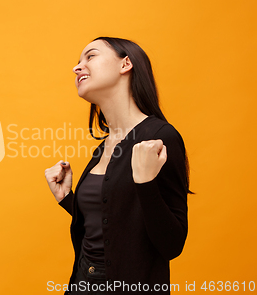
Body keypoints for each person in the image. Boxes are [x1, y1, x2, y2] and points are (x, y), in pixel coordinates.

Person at [44, 37, 191, 294]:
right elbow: (117, 218)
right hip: (82, 281)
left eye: (90, 56)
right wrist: (68, 199)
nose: (77, 67)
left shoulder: (160, 137)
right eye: (78, 61)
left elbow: (172, 244)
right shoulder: (103, 146)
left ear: (125, 64)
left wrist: (145, 183)